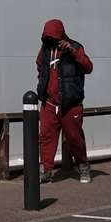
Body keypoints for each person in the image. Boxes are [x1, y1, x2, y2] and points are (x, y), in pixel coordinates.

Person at [36, 19, 93, 184]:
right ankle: (45, 170)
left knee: (74, 137)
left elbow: (88, 67)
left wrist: (73, 52)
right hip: (49, 103)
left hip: (71, 104)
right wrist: (42, 83)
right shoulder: (45, 49)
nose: (52, 41)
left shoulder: (75, 47)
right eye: (48, 37)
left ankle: (83, 165)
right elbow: (40, 65)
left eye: (54, 37)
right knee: (46, 137)